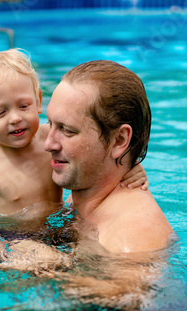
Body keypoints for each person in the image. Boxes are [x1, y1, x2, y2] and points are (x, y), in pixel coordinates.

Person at [0, 50, 147, 240]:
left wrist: (130, 168)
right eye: (0, 112)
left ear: (39, 100)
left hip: (56, 227)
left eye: (23, 106)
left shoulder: (50, 139)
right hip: (8, 238)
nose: (15, 118)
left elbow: (98, 158)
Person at [44, 60, 174, 254]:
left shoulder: (131, 241)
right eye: (49, 123)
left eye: (68, 130)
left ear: (119, 140)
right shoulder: (89, 197)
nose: (48, 144)